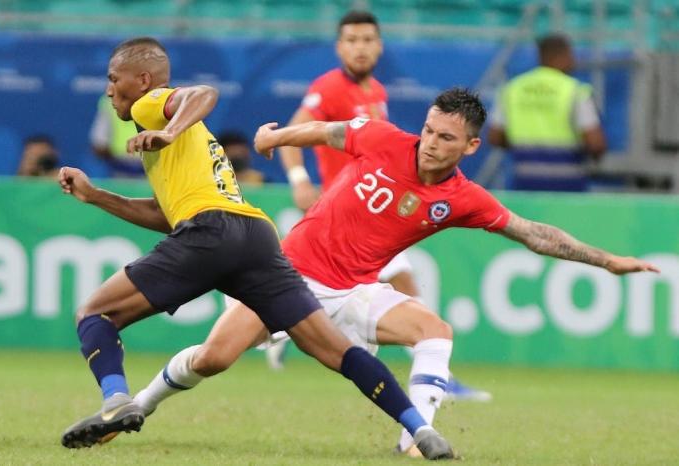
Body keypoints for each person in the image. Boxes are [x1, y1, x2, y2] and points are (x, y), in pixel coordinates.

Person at [131, 88, 659, 456]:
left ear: (471, 146)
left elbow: (532, 233)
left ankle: (414, 440)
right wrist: (277, 139)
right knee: (214, 357)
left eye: (446, 138)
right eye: (429, 130)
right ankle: (136, 407)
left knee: (436, 331)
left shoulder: (463, 198)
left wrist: (607, 260)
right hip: (286, 276)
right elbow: (326, 131)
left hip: (353, 290)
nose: (430, 142)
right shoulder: (382, 137)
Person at [56, 37, 454, 459]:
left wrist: (169, 131)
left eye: (113, 79)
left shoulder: (149, 105)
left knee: (95, 313)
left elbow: (203, 93)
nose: (108, 90)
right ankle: (420, 430)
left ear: (142, 80)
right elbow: (164, 213)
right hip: (255, 235)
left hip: (209, 232)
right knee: (336, 350)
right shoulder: (176, 139)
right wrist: (95, 195)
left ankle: (117, 401)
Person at [274, 10, 486, 401]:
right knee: (399, 285)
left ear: (380, 46)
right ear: (339, 47)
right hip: (350, 212)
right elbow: (296, 128)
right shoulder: (330, 87)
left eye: (368, 40)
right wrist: (299, 179)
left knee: (353, 291)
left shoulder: (376, 91)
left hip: (374, 210)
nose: (360, 48)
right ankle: (437, 370)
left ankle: (283, 328)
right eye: (352, 40)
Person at [487, 33, 607, 191]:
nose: (573, 62)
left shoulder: (512, 89)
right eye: (571, 56)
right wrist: (594, 159)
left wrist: (525, 149)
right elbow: (595, 143)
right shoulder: (575, 91)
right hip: (568, 183)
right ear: (562, 56)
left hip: (524, 181)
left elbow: (495, 136)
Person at [89, 93, 143, 177]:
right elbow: (99, 144)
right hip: (121, 168)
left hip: (145, 168)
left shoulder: (109, 101)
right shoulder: (108, 102)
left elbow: (99, 143)